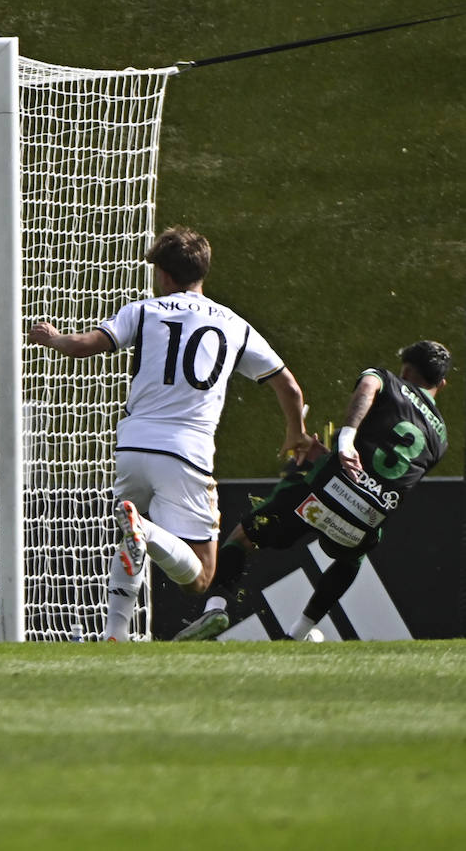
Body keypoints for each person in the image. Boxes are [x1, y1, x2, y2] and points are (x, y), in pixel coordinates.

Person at [27, 225, 311, 642]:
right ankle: (145, 531)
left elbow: (84, 345)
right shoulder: (234, 325)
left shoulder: (142, 311)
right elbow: (289, 387)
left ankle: (115, 631)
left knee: (130, 534)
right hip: (185, 452)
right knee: (202, 576)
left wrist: (54, 338)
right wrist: (295, 433)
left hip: (132, 446)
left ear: (162, 274)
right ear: (203, 271)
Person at [176, 340, 450, 641]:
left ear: (406, 371)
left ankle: (215, 608)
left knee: (244, 536)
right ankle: (297, 634)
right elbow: (384, 472)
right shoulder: (441, 439)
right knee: (350, 561)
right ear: (441, 384)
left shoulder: (387, 379)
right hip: (366, 518)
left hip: (322, 495)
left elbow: (367, 387)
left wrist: (344, 441)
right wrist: (329, 458)